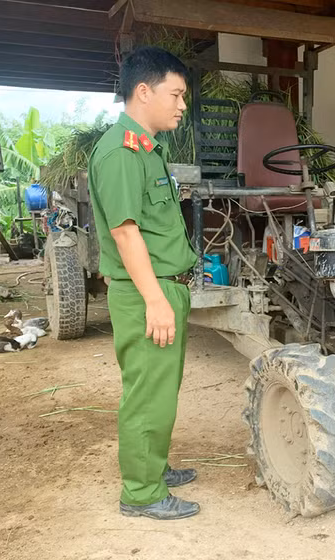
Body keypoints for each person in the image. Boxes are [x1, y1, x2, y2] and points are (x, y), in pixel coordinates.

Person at [88, 46, 200, 520]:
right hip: (145, 291)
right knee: (146, 392)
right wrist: (155, 299)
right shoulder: (121, 152)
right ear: (143, 91)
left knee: (160, 388)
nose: (182, 105)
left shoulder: (149, 150)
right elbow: (125, 231)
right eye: (176, 94)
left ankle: (154, 467)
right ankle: (141, 492)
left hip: (163, 285)